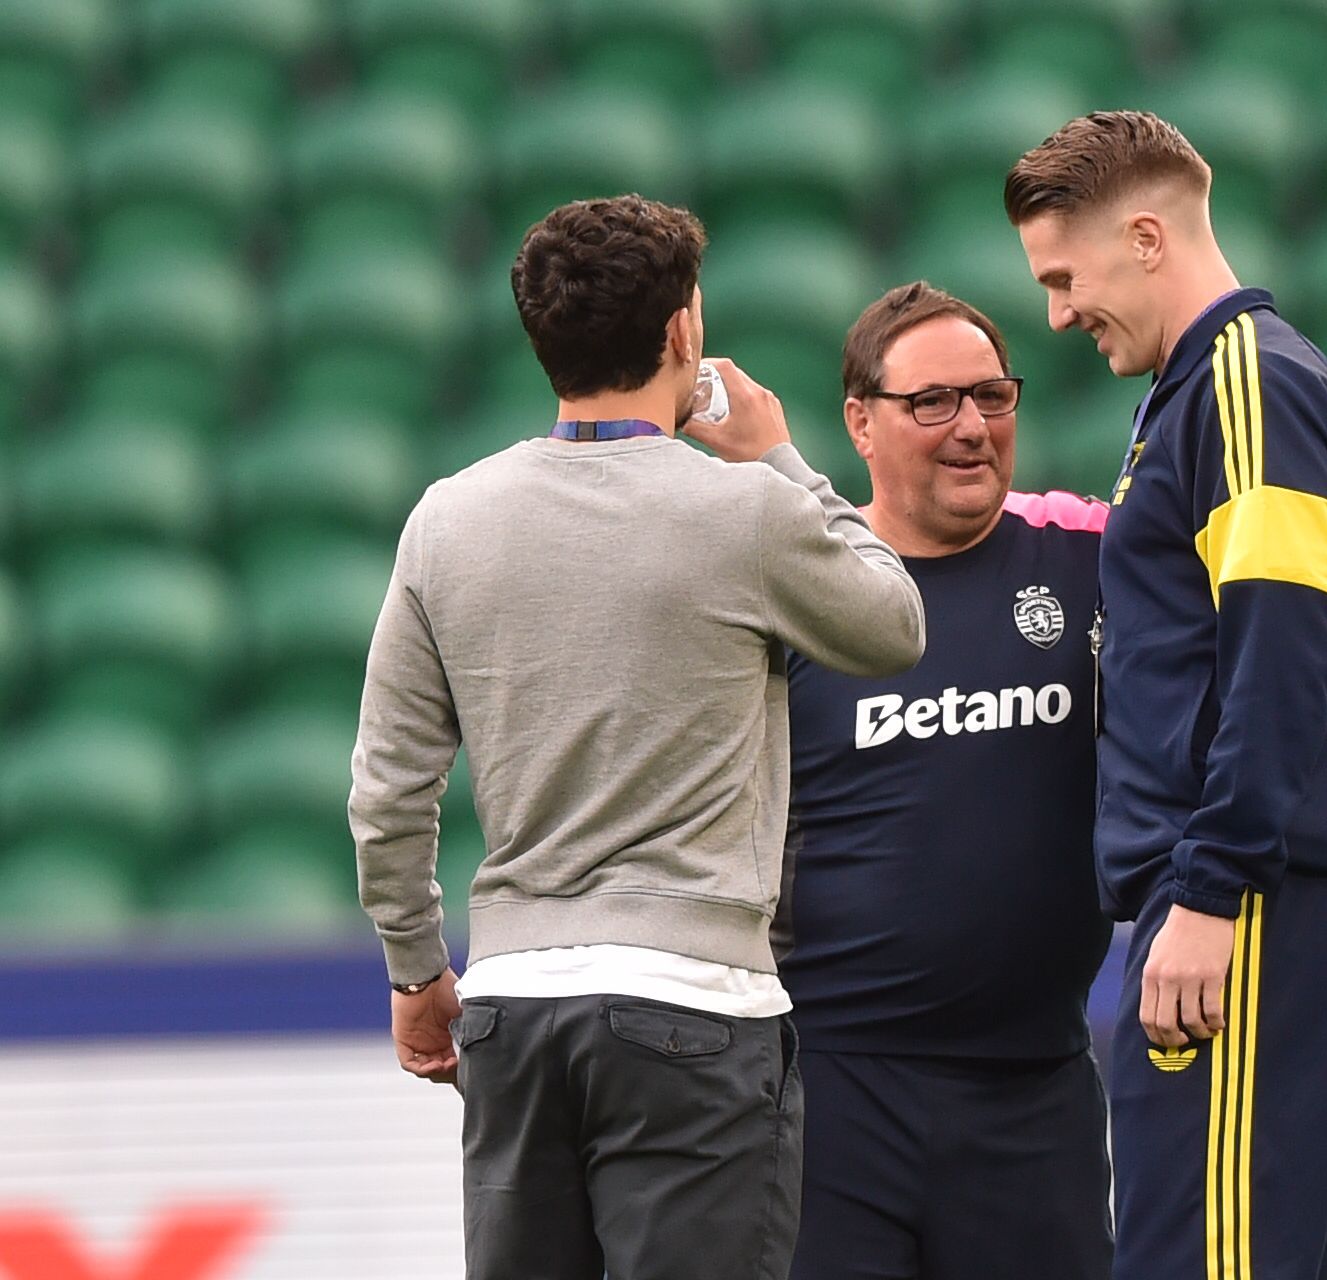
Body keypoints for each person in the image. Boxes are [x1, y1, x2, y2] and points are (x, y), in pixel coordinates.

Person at [347, 194, 926, 1280]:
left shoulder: (447, 517)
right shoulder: (743, 509)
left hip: (513, 1006)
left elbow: (388, 787)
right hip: (695, 1005)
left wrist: (415, 964)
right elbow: (893, 621)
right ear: (681, 334)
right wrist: (783, 459)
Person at [1005, 113, 1327, 1280]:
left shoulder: (1247, 385)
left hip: (1245, 905)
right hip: (1247, 898)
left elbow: (1281, 654)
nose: (1058, 314)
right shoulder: (1211, 390)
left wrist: (1211, 888)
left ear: (1143, 235)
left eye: (1065, 277)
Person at [776, 281, 1114, 1280]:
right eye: (933, 402)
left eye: (992, 396)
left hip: (1035, 1088)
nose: (970, 427)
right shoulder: (796, 588)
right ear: (861, 422)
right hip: (832, 1094)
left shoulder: (1091, 551)